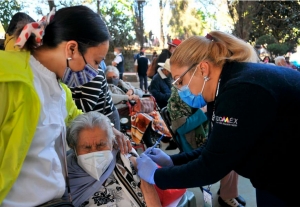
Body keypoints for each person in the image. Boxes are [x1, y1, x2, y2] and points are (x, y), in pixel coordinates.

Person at [136, 31, 300, 207]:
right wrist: (172, 160)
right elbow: (214, 148)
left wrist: (157, 176)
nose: (180, 90)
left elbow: (212, 167)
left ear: (203, 69)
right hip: (278, 174)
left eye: (179, 81)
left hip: (294, 182)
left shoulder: (240, 91)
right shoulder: (224, 88)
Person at [0, 6, 130, 206]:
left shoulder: (60, 90)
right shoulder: (8, 79)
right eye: (96, 62)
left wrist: (112, 131)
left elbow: (75, 116)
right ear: (71, 48)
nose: (96, 72)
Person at [167, 87, 246, 207]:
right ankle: (227, 195)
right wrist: (202, 112)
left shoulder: (196, 91)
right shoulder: (178, 96)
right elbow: (182, 128)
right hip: (191, 143)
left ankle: (228, 191)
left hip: (205, 136)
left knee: (234, 148)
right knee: (229, 154)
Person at [105, 65, 171, 148]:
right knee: (143, 117)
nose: (113, 78)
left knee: (154, 114)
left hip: (135, 109)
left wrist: (132, 90)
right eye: (110, 77)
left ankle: (164, 136)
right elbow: (110, 97)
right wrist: (127, 97)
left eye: (115, 76)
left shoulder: (124, 84)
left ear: (118, 76)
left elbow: (140, 92)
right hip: (123, 112)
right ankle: (150, 143)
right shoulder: (106, 87)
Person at [69, 64, 121, 130]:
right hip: (90, 119)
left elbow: (87, 104)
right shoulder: (71, 70)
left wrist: (64, 102)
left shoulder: (92, 70)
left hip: (104, 119)